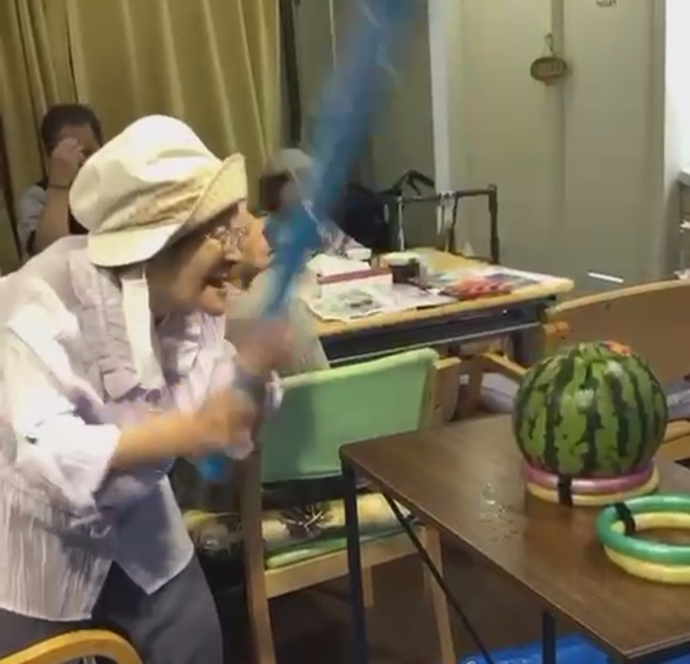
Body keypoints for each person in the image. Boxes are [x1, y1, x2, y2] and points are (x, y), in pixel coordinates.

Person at [0, 115, 290, 663]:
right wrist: (185, 432)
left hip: (139, 514)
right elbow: (44, 451)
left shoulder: (189, 305)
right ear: (155, 244)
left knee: (194, 643)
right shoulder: (39, 303)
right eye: (220, 233)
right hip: (36, 527)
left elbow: (218, 400)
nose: (237, 251)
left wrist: (250, 382)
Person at [17, 103, 103, 258]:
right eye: (72, 152)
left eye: (89, 152)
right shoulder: (36, 197)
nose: (83, 161)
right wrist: (60, 184)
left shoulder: (111, 183)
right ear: (50, 156)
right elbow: (51, 253)